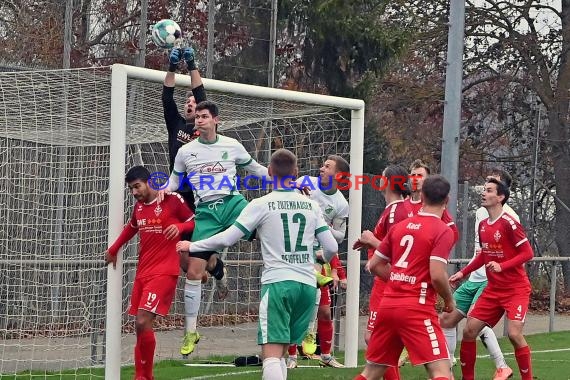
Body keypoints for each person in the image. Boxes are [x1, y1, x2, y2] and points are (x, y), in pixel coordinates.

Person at [176, 148, 339, 380]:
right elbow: (331, 246)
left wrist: (192, 246)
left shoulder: (261, 204)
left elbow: (226, 238)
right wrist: (317, 258)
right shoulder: (311, 205)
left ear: (270, 172)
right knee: (282, 353)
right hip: (307, 285)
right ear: (295, 173)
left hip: (278, 284)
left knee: (271, 355)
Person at [164, 100, 269, 357]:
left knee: (269, 229)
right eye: (197, 117)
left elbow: (255, 168)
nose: (199, 120)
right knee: (193, 271)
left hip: (234, 204)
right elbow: (174, 182)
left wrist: (287, 180)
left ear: (215, 120)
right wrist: (160, 192)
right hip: (206, 213)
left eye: (204, 116)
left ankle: (307, 267)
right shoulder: (186, 151)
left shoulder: (231, 145)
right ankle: (191, 331)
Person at [352, 175, 456, 380]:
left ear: (422, 196)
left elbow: (373, 265)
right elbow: (437, 274)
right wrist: (449, 299)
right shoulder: (443, 230)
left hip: (388, 306)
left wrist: (401, 280)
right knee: (441, 371)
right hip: (417, 309)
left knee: (371, 372)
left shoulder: (400, 227)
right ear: (447, 200)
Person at [104, 166, 195, 380]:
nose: (134, 192)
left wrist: (180, 228)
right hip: (143, 273)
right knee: (139, 326)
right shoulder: (139, 207)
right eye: (131, 189)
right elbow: (131, 227)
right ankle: (143, 376)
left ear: (149, 182)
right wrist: (113, 249)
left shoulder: (172, 200)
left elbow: (195, 220)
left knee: (143, 320)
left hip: (165, 272)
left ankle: (144, 376)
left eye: (137, 186)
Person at [450, 178, 534, 380]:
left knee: (514, 334)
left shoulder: (509, 223)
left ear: (500, 197)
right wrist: (463, 272)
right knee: (469, 331)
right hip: (494, 290)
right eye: (484, 190)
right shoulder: (484, 225)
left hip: (515, 289)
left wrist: (502, 266)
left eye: (489, 190)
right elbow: (483, 255)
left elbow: (527, 253)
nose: (483, 193)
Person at [440, 168, 516, 380]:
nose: (487, 187)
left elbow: (520, 253)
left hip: (492, 281)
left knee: (476, 324)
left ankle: (502, 366)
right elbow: (481, 252)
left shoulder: (510, 217)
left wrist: (502, 271)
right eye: (487, 182)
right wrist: (464, 272)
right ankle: (447, 366)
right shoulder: (483, 212)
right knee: (446, 319)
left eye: (493, 184)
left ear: (502, 193)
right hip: (475, 277)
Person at [162, 46, 225, 292]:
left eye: (194, 103)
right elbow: (167, 98)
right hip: (179, 197)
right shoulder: (176, 125)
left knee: (192, 260)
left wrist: (192, 65)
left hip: (201, 198)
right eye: (186, 103)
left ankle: (211, 264)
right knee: (184, 262)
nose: (190, 105)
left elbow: (201, 93)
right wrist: (170, 69)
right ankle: (214, 264)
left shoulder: (204, 130)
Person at [286, 155, 350, 369]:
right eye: (322, 165)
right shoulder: (306, 182)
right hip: (297, 250)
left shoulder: (341, 204)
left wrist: (321, 224)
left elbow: (340, 236)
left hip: (320, 254)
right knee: (301, 304)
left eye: (327, 167)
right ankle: (294, 354)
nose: (321, 169)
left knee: (324, 310)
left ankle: (326, 355)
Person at [358, 165, 411, 380]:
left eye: (381, 176)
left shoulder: (396, 211)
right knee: (378, 342)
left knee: (375, 340)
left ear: (388, 181)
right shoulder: (393, 209)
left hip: (388, 283)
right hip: (384, 281)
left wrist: (372, 241)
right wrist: (369, 247)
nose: (378, 180)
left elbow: (397, 252)